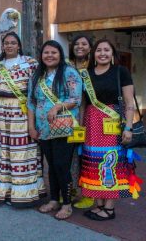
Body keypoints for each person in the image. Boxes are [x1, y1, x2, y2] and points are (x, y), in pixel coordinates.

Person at [79, 39, 140, 221]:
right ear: (93, 54)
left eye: (106, 50)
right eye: (99, 50)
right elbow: (83, 103)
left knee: (111, 163)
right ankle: (99, 205)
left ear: (112, 54)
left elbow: (129, 103)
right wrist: (81, 126)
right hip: (91, 123)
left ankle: (110, 208)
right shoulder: (86, 74)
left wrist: (128, 128)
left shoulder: (121, 72)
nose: (102, 53)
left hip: (113, 124)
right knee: (93, 162)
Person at [27, 40, 83, 220]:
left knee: (62, 165)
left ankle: (66, 204)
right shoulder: (37, 76)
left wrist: (57, 107)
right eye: (46, 53)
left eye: (53, 52)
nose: (49, 56)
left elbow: (76, 98)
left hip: (64, 128)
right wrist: (31, 127)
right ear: (41, 56)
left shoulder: (69, 72)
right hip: (43, 129)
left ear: (60, 54)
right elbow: (31, 103)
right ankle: (54, 200)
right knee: (50, 166)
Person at [0, 32, 45, 207]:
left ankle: (25, 193)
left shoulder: (30, 64)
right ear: (2, 45)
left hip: (23, 114)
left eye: (13, 43)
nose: (9, 45)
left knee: (24, 152)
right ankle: (6, 192)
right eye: (6, 43)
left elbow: (37, 91)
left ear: (19, 45)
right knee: (5, 152)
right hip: (2, 115)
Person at [68, 35, 95, 209]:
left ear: (90, 47)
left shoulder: (94, 68)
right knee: (70, 157)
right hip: (69, 116)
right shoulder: (66, 66)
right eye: (76, 44)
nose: (80, 47)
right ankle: (68, 191)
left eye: (84, 44)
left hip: (90, 116)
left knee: (88, 155)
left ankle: (89, 194)